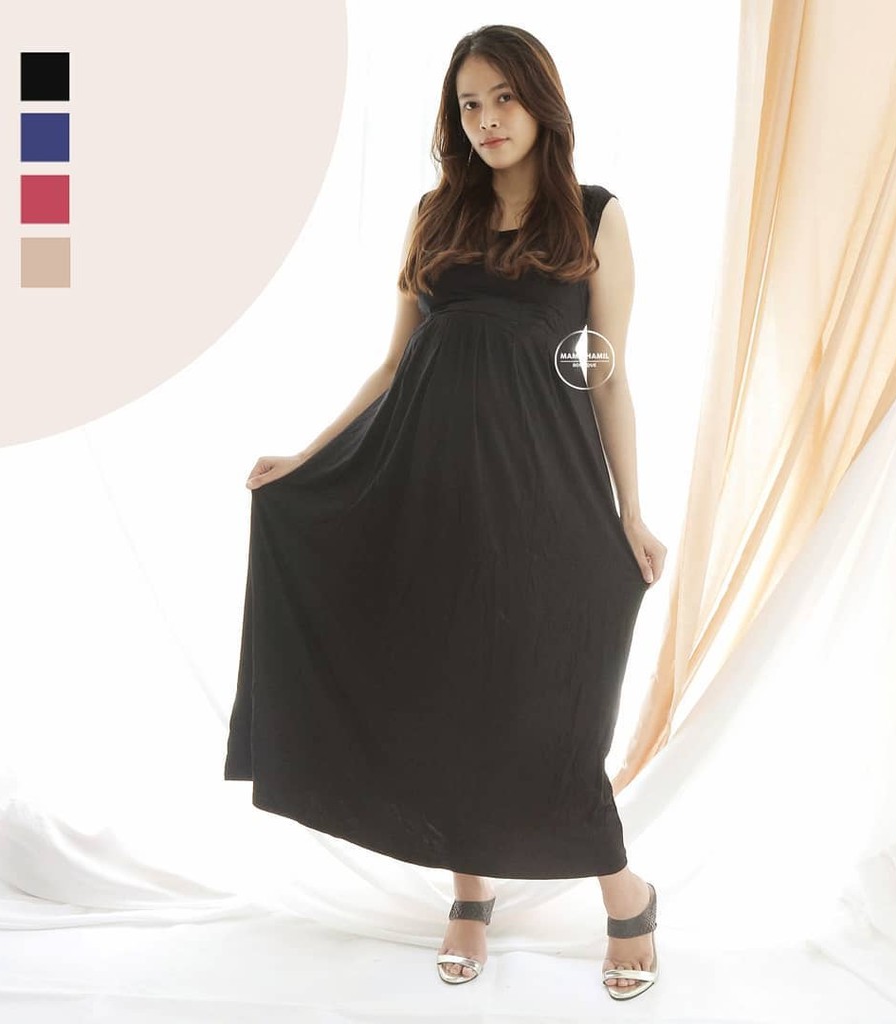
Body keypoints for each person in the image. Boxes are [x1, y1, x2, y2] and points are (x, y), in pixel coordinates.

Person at [225, 23, 668, 1002]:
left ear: (540, 102)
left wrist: (631, 511)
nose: (486, 120)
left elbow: (604, 374)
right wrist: (308, 458)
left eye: (503, 98)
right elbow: (394, 364)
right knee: (446, 700)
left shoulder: (595, 216)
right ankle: (470, 894)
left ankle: (626, 891)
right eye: (469, 104)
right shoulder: (434, 217)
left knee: (552, 722)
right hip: (428, 499)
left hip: (547, 507)